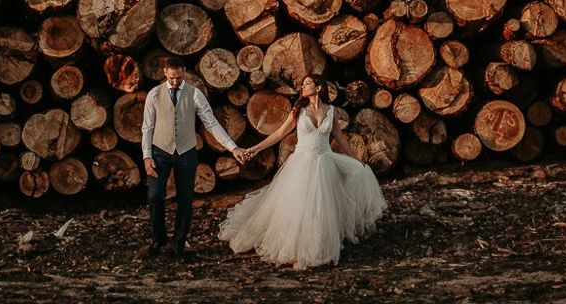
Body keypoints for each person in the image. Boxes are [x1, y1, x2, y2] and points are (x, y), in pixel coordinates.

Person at [218, 74, 387, 269]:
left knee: (321, 209)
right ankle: (295, 250)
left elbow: (340, 138)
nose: (303, 86)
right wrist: (255, 149)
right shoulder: (299, 110)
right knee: (299, 207)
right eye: (303, 83)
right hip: (302, 163)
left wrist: (357, 160)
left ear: (318, 88)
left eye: (307, 83)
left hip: (325, 162)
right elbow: (279, 133)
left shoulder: (331, 111)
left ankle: (316, 249)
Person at [142, 57, 247, 258]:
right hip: (159, 151)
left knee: (185, 198)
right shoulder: (154, 95)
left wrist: (232, 147)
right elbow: (147, 127)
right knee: (155, 195)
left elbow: (212, 123)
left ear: (184, 72)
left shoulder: (195, 94)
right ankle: (159, 238)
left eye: (179, 78)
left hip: (186, 152)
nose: (175, 82)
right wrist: (147, 156)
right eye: (171, 78)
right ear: (165, 73)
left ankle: (179, 242)